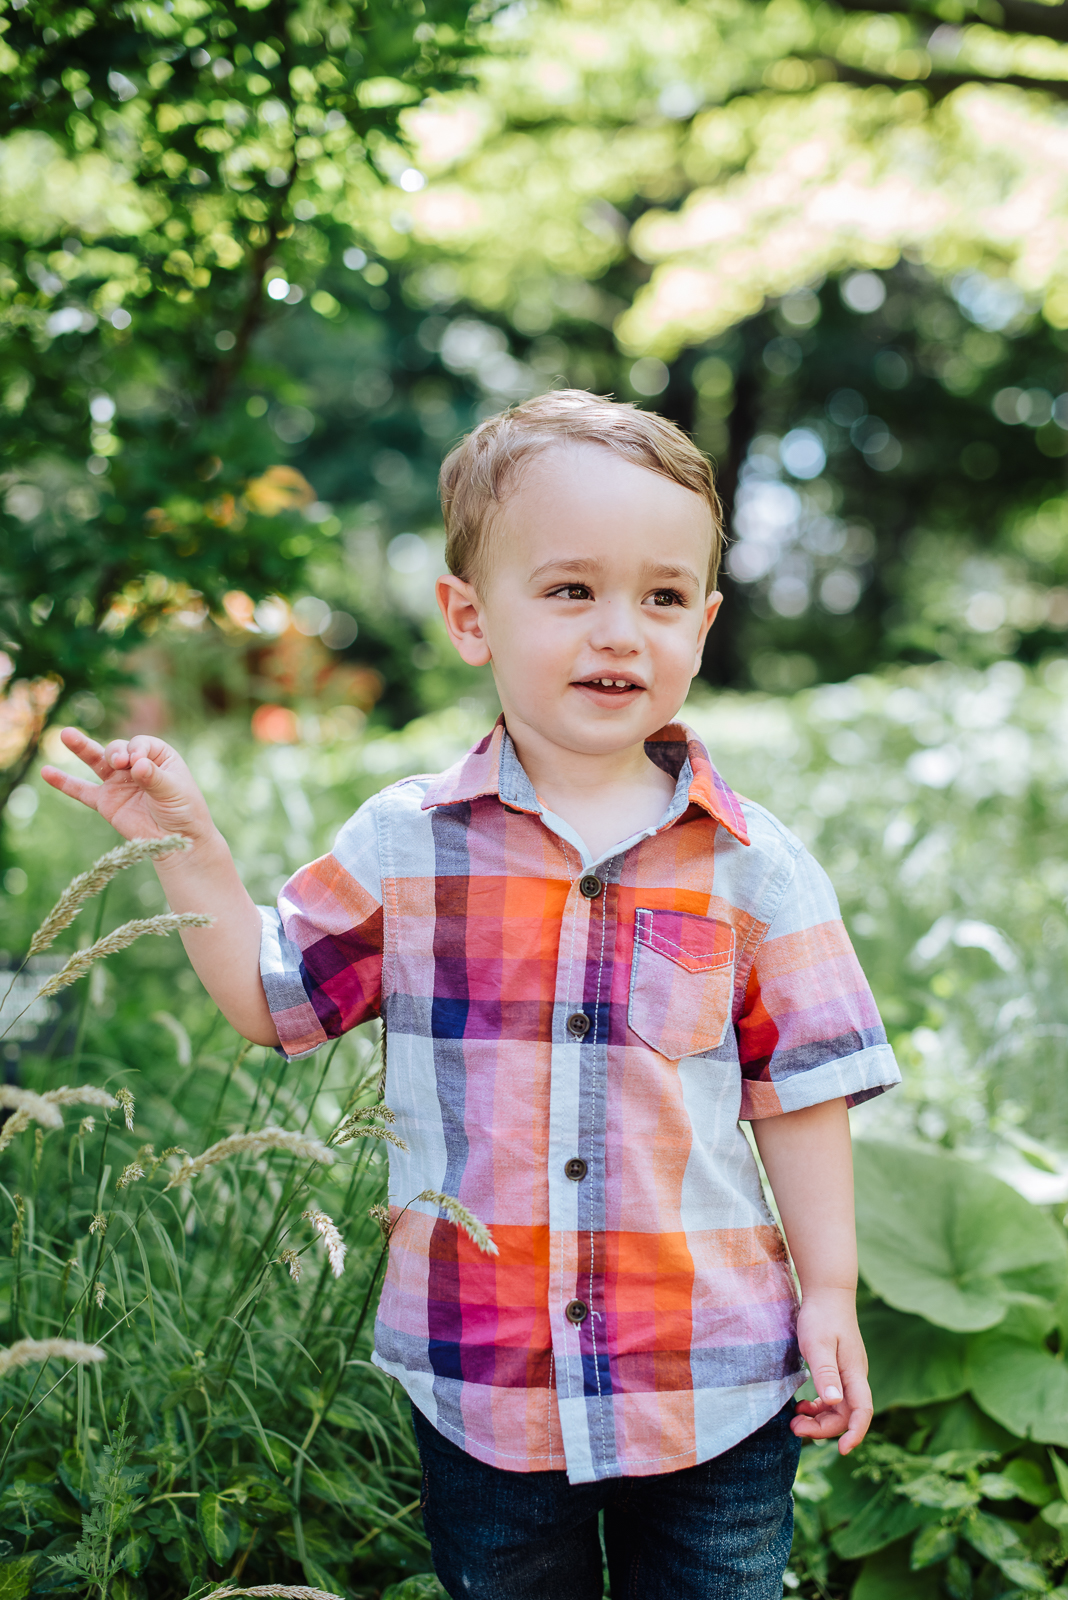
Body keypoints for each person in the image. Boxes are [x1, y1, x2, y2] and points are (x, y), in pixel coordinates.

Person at [43, 390, 900, 1599]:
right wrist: (188, 841)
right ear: (469, 616)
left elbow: (800, 1092)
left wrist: (831, 1295)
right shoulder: (409, 843)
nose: (620, 632)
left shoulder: (756, 860)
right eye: (570, 591)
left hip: (710, 1374)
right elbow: (270, 997)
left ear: (704, 625)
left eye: (662, 597)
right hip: (484, 1382)